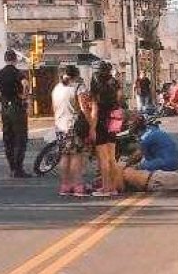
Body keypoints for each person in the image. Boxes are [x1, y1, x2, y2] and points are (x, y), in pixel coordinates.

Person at [0, 50, 30, 178]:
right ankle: (18, 169)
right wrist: (23, 96)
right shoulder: (17, 73)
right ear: (15, 60)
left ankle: (12, 168)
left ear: (5, 59)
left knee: (8, 138)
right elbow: (25, 84)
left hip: (5, 107)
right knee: (20, 138)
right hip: (17, 107)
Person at [51, 65, 90, 197]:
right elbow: (84, 108)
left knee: (64, 155)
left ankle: (65, 185)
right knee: (75, 156)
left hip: (60, 126)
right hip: (73, 125)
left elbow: (54, 108)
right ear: (76, 76)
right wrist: (91, 124)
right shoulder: (78, 88)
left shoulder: (56, 88)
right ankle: (77, 185)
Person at [90, 61, 124, 196]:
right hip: (114, 120)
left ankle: (106, 187)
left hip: (101, 121)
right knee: (112, 157)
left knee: (102, 158)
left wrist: (92, 128)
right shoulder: (115, 83)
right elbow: (120, 100)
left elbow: (95, 110)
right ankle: (114, 187)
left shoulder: (96, 85)